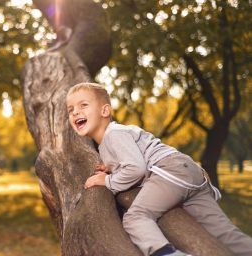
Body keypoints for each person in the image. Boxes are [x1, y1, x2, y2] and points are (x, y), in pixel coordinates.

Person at [66, 82, 252, 256]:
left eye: (83, 105)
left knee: (135, 217)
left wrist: (106, 181)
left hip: (171, 171)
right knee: (224, 233)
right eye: (71, 109)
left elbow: (136, 169)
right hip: (190, 172)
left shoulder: (114, 134)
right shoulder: (112, 139)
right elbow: (133, 158)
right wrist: (110, 168)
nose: (75, 112)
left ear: (105, 110)